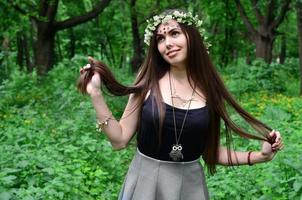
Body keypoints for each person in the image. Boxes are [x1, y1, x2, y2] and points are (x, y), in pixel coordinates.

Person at [77, 9, 284, 200]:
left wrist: (260, 156)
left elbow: (210, 152)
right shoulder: (148, 80)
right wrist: (96, 94)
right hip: (145, 184)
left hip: (190, 187)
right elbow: (119, 140)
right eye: (160, 38)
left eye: (174, 33)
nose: (167, 43)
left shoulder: (210, 90)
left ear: (191, 36)